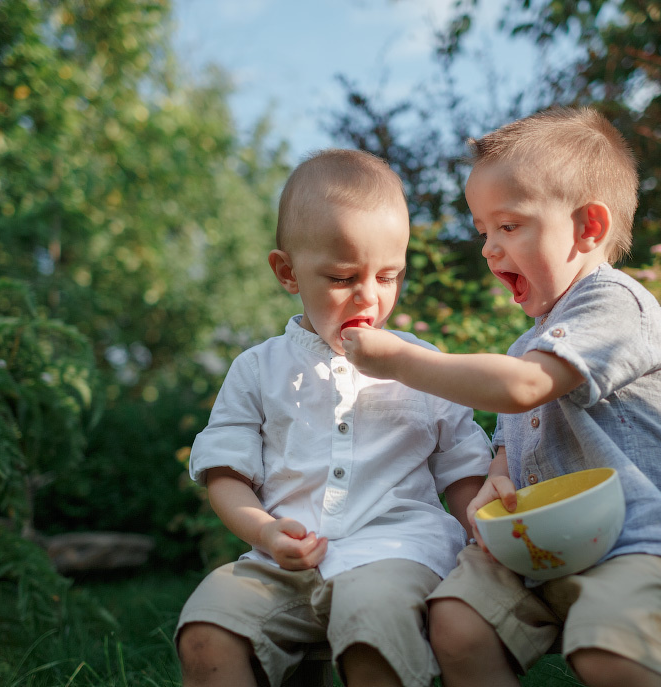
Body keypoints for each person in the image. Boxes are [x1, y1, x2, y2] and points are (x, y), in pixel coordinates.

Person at [341, 107, 661, 687]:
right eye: (482, 230)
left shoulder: (615, 305)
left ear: (589, 227)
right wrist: (497, 474)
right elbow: (517, 433)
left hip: (635, 542)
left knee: (609, 651)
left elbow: (523, 391)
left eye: (508, 226)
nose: (489, 249)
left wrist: (398, 359)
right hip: (541, 548)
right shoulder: (528, 341)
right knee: (458, 621)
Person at [175, 148, 492, 687]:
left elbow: (463, 467)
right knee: (206, 626)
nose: (369, 297)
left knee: (373, 621)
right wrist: (268, 531)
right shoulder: (257, 369)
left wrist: (485, 541)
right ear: (287, 272)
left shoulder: (422, 364)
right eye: (343, 278)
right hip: (281, 563)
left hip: (396, 553)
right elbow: (226, 475)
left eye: (388, 276)